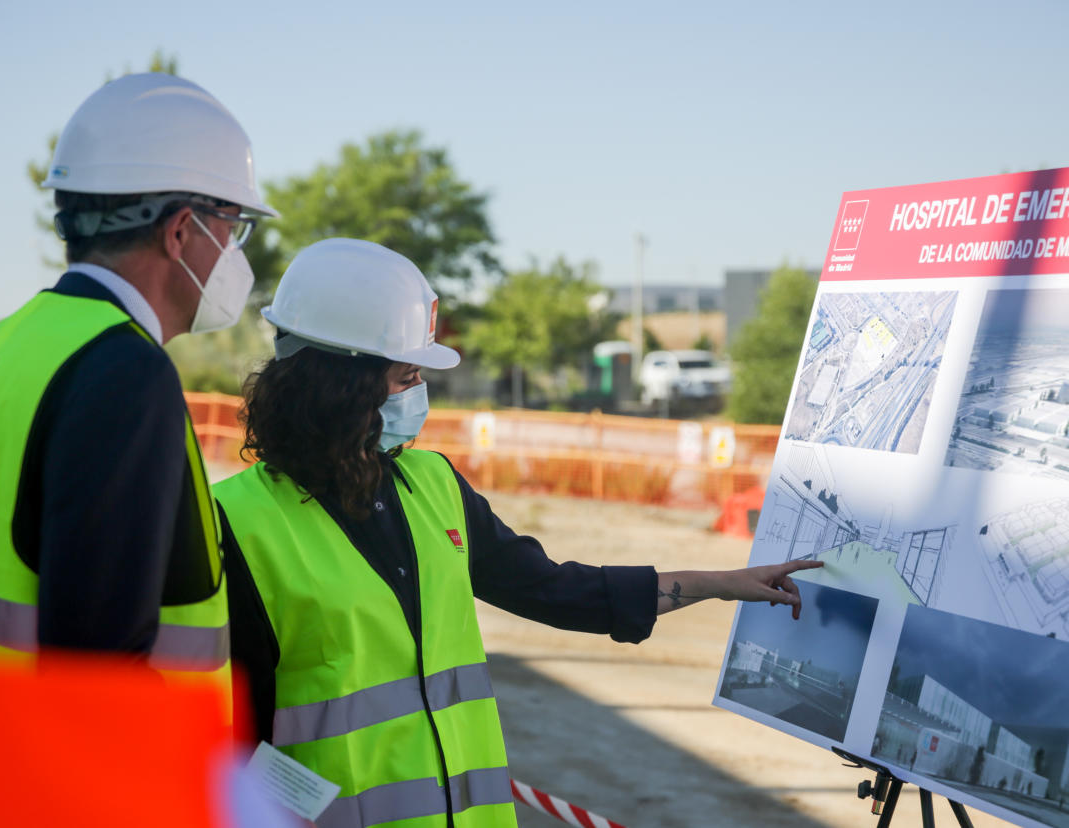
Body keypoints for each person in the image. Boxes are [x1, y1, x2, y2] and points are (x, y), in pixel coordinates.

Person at [214, 238, 823, 828]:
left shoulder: (433, 485)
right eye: (405, 378)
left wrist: (721, 583)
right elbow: (224, 742)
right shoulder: (235, 524)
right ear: (337, 388)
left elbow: (550, 589)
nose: (418, 396)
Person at [0, 73, 276, 688]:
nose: (234, 250)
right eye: (231, 225)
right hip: (83, 776)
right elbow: (99, 668)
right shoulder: (124, 373)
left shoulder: (2, 347)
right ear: (180, 231)